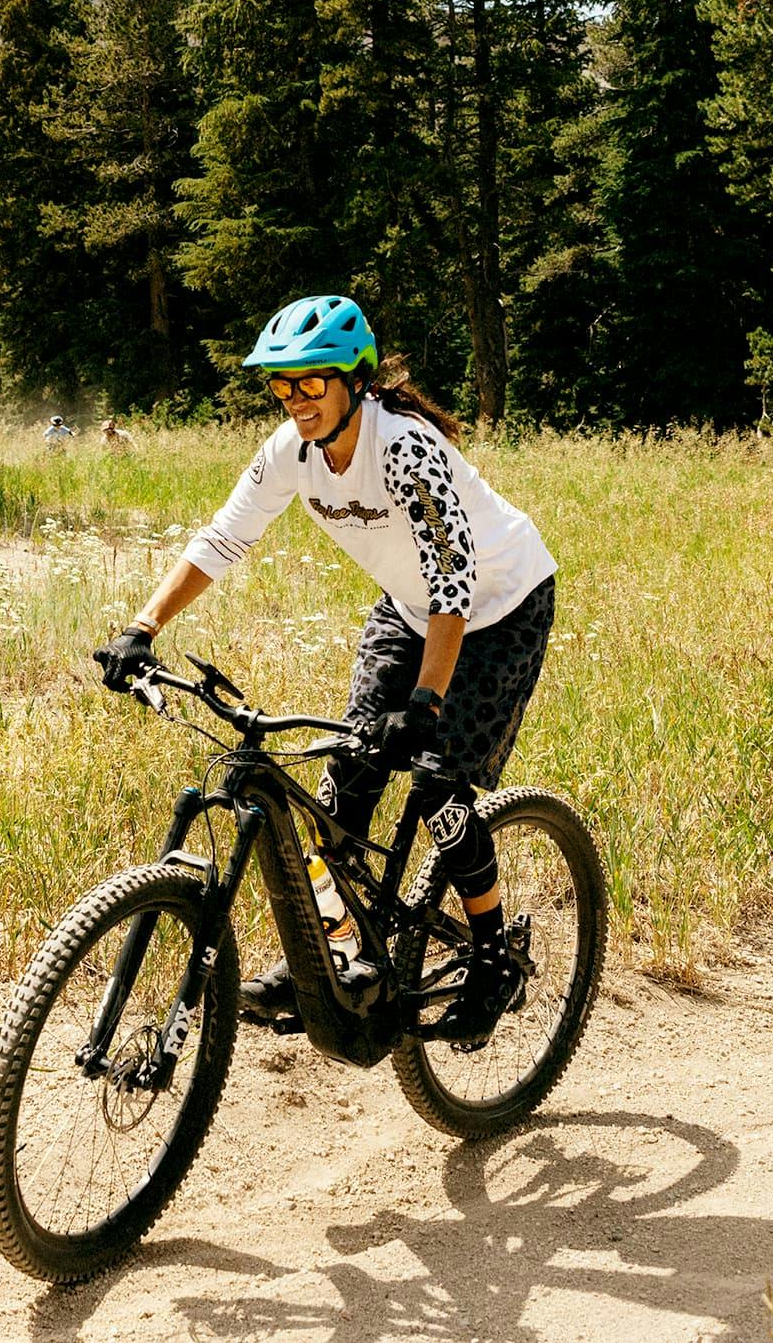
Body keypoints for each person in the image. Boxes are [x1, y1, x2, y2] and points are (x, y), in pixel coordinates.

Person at [93, 294, 558, 1045]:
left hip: (500, 606)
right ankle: (345, 954)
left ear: (354, 380)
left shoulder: (404, 447)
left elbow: (455, 583)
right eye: (282, 385)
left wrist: (428, 701)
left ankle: (494, 955)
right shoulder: (290, 452)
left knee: (438, 783)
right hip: (411, 609)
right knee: (344, 782)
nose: (295, 399)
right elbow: (223, 539)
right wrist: (142, 626)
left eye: (311, 383)